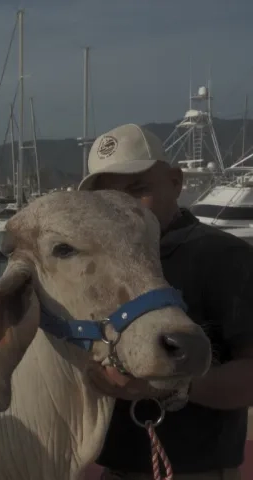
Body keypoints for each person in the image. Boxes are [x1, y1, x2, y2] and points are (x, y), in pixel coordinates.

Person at [78, 123, 253, 479]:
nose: (123, 207)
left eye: (138, 189)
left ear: (176, 182)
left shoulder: (225, 256)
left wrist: (165, 387)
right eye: (107, 198)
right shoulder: (94, 269)